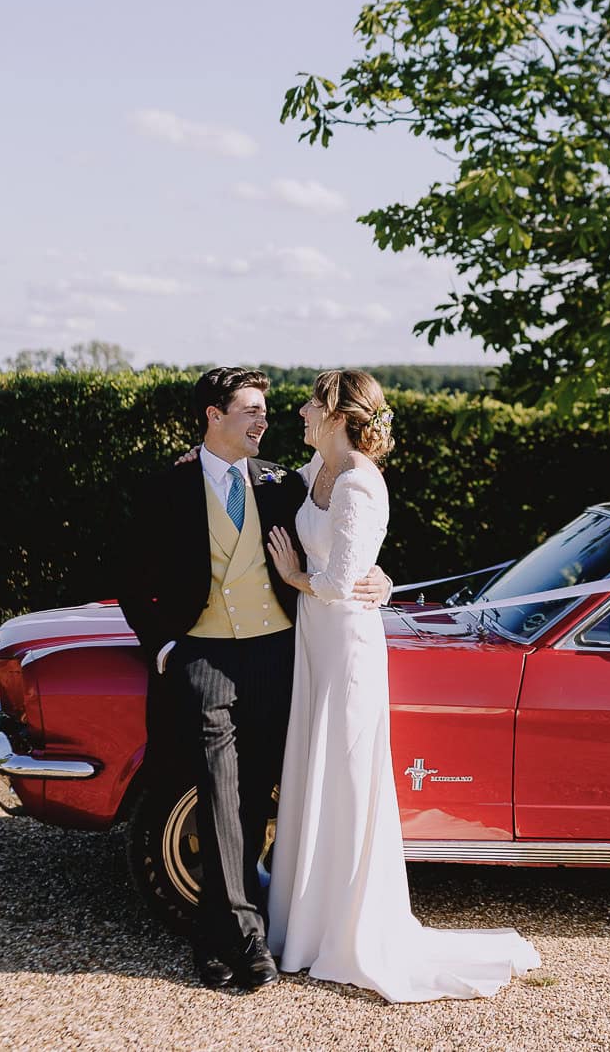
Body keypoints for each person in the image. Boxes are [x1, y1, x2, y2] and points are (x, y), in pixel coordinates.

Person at [264, 369, 542, 1002]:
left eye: (313, 402)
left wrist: (292, 573)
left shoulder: (361, 483)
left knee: (348, 774)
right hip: (316, 641)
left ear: (337, 415)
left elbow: (339, 582)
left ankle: (348, 927)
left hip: (347, 647)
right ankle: (305, 924)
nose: (302, 411)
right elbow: (296, 505)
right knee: (315, 766)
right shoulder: (317, 470)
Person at [116, 367, 391, 993]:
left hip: (276, 654)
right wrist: (164, 649)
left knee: (257, 795)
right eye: (250, 410)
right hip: (205, 657)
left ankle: (218, 935)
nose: (264, 420)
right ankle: (242, 937)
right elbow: (132, 580)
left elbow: (345, 537)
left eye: (266, 409)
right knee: (217, 794)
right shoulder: (167, 487)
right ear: (214, 415)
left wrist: (382, 580)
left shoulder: (278, 484)